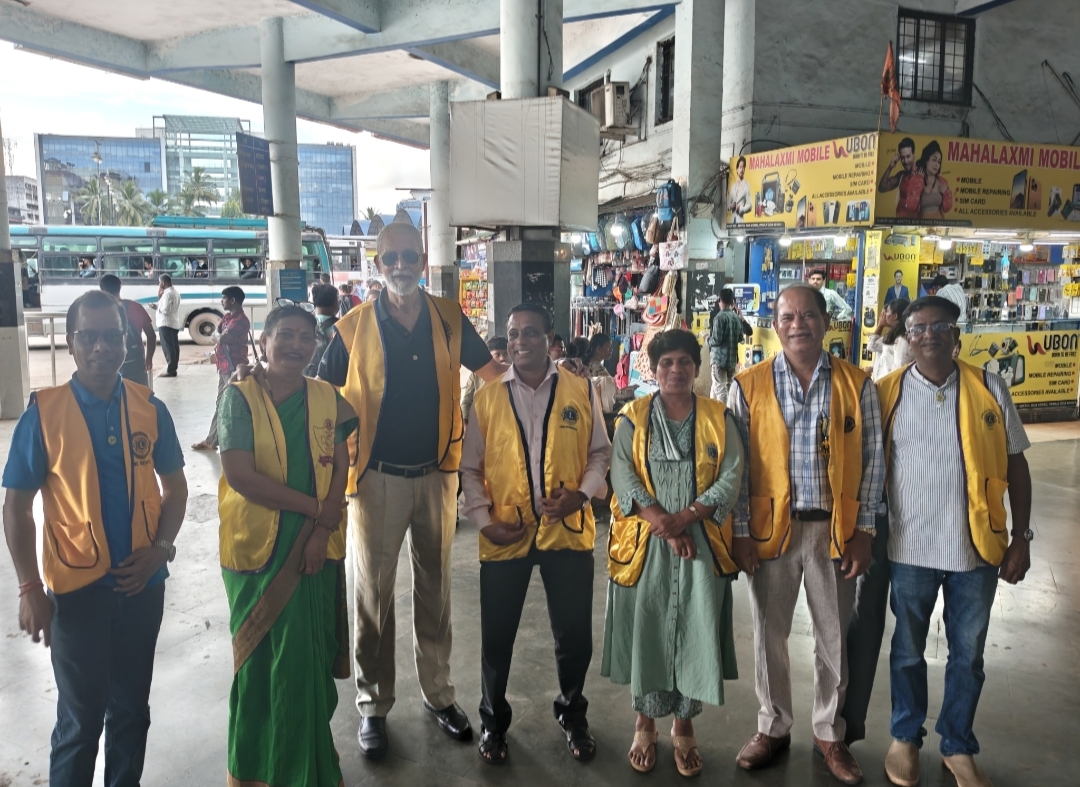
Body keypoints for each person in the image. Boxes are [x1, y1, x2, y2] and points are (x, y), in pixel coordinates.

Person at [316, 222, 508, 759]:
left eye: (409, 257)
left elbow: (490, 372)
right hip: (375, 479)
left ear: (423, 261)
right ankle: (373, 705)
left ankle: (439, 694)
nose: (401, 265)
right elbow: (319, 398)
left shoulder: (448, 318)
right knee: (373, 596)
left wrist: (540, 381)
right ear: (378, 265)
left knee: (437, 591)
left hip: (437, 475)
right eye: (390, 258)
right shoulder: (351, 328)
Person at [2, 290, 188, 787]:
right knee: (80, 721)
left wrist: (161, 552)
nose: (103, 348)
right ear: (71, 342)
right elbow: (16, 506)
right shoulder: (44, 413)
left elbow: (176, 487)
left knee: (131, 710)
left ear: (127, 342)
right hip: (75, 593)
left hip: (141, 590)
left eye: (113, 336)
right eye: (90, 337)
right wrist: (28, 589)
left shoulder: (150, 409)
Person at [728, 284, 884, 785]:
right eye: (789, 316)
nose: (799, 324)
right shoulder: (747, 385)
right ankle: (772, 727)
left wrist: (865, 530)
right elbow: (736, 467)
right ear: (775, 325)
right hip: (770, 532)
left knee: (832, 637)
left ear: (825, 322)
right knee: (769, 635)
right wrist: (740, 532)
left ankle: (828, 732)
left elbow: (874, 464)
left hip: (832, 532)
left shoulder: (858, 386)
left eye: (809, 315)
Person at [875, 296, 1032, 787]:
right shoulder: (885, 393)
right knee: (906, 650)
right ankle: (904, 737)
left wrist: (1022, 536)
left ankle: (957, 744)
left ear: (956, 334)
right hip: (910, 549)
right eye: (918, 328)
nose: (929, 335)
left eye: (940, 326)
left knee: (968, 655)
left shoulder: (989, 387)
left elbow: (1017, 464)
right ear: (905, 336)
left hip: (977, 550)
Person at [460, 303, 610, 765]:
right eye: (512, 333)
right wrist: (485, 522)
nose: (520, 341)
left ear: (551, 338)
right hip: (506, 533)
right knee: (496, 638)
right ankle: (493, 722)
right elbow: (469, 469)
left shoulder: (580, 390)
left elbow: (600, 455)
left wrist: (581, 496)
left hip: (567, 532)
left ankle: (572, 713)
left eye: (530, 332)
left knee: (574, 636)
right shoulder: (487, 398)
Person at [218, 304, 358, 787]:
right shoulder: (238, 399)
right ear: (265, 338)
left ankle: (310, 769)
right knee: (260, 666)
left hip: (313, 549)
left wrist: (321, 529)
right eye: (286, 335)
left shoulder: (326, 397)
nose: (296, 345)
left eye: (306, 337)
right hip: (257, 554)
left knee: (304, 667)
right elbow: (240, 477)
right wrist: (313, 508)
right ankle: (257, 772)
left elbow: (341, 466)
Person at [604, 329, 744, 777]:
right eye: (667, 363)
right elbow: (621, 473)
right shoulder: (633, 417)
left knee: (696, 631)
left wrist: (683, 520)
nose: (676, 371)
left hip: (700, 541)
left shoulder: (719, 418)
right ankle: (644, 723)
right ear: (654, 369)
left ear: (697, 368)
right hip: (647, 542)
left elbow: (731, 475)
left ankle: (684, 728)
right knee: (648, 626)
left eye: (685, 362)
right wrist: (662, 524)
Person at [192, 287, 250, 451]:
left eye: (224, 298)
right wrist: (220, 336)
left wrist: (220, 336)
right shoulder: (227, 318)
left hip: (235, 368)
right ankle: (212, 441)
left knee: (231, 404)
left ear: (232, 300)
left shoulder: (240, 321)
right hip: (224, 368)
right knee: (221, 404)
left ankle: (226, 441)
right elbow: (216, 335)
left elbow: (222, 337)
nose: (221, 301)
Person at [99, 273, 156, 386]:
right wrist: (148, 359)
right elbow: (151, 335)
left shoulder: (99, 311)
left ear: (101, 289)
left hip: (108, 362)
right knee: (139, 396)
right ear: (120, 287)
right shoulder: (136, 307)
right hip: (136, 363)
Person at [461, 336, 508, 425]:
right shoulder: (476, 375)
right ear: (489, 356)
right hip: (481, 424)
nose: (502, 358)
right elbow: (466, 402)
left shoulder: (513, 374)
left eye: (505, 354)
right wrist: (465, 424)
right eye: (497, 355)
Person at [707, 289, 743, 403]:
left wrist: (706, 338)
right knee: (724, 388)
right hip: (731, 361)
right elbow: (741, 338)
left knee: (721, 391)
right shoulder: (736, 318)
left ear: (719, 300)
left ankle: (724, 416)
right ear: (732, 302)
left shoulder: (719, 318)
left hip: (719, 360)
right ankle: (714, 412)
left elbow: (716, 341)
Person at [866, 298, 913, 382]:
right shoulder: (891, 335)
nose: (883, 316)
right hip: (882, 383)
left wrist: (880, 325)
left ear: (894, 316)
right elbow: (871, 346)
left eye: (886, 312)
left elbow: (900, 369)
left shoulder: (902, 339)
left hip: (889, 385)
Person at [877, 137, 920, 220]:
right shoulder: (901, 176)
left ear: (913, 155)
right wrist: (890, 167)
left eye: (908, 156)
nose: (905, 161)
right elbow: (882, 188)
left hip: (918, 225)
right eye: (902, 158)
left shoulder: (922, 175)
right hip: (900, 223)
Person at [306, 284, 341, 378]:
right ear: (335, 302)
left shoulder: (305, 325)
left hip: (308, 378)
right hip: (334, 381)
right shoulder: (342, 327)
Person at [911, 141, 952, 220]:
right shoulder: (916, 179)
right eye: (934, 160)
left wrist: (947, 193)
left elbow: (946, 208)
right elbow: (912, 206)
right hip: (919, 227)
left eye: (939, 162)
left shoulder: (942, 182)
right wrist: (918, 181)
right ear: (926, 160)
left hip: (939, 227)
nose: (937, 165)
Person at [153, 274, 181, 378]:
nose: (159, 284)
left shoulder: (168, 294)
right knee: (173, 347)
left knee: (168, 348)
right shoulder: (175, 293)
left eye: (159, 282)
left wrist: (158, 307)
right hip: (173, 323)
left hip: (166, 323)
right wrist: (158, 306)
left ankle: (171, 370)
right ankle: (173, 368)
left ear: (163, 282)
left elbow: (165, 310)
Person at [728, 155, 751, 224]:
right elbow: (727, 203)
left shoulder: (747, 186)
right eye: (740, 167)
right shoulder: (732, 186)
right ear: (737, 169)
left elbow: (750, 205)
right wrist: (730, 206)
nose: (742, 169)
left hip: (740, 221)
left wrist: (741, 208)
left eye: (743, 167)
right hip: (731, 222)